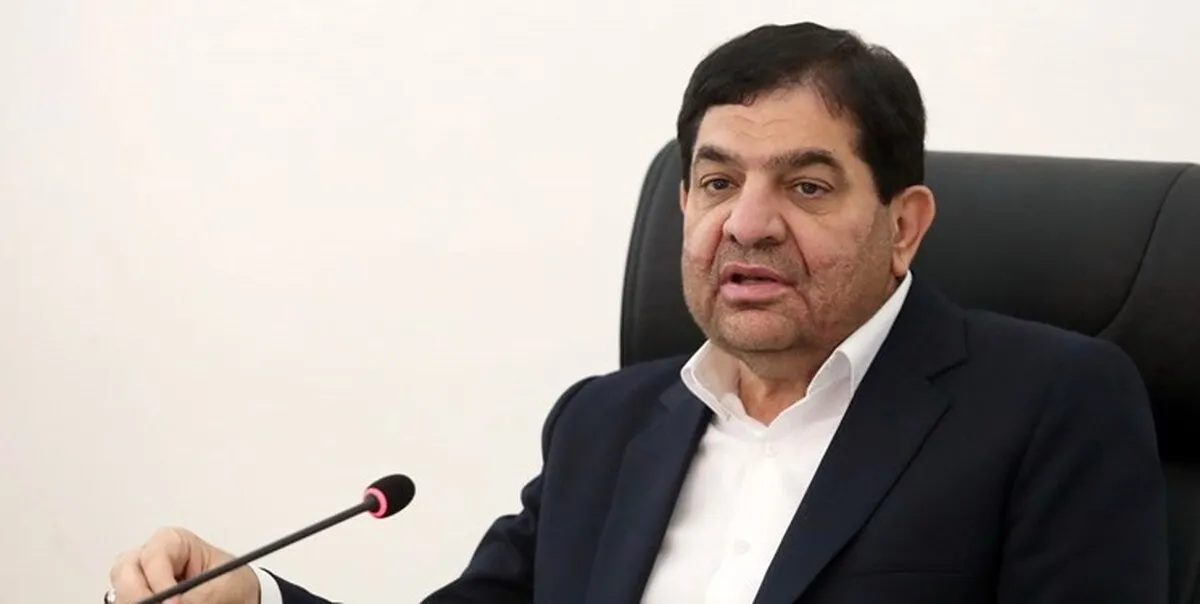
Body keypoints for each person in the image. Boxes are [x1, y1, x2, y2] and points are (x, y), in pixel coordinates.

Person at [106, 21, 1169, 604]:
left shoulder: (1048, 404)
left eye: (805, 186)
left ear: (904, 224)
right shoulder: (605, 424)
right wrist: (253, 601)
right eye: (717, 182)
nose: (747, 224)